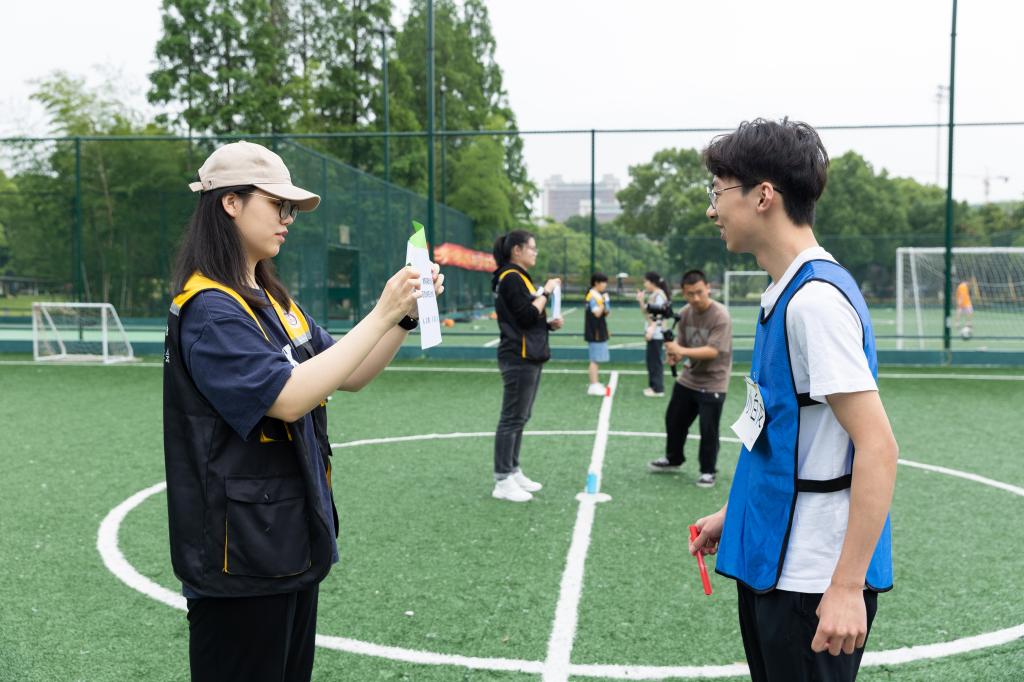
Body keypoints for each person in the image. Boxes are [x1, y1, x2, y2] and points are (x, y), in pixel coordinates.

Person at [163, 141, 444, 682]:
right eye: (278, 205)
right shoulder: (210, 308)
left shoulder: (270, 297)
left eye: (291, 208)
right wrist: (381, 311)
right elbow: (290, 398)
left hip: (286, 538)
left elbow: (351, 373)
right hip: (238, 555)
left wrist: (402, 318)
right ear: (230, 203)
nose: (288, 218)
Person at [688, 119, 897, 682]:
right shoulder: (785, 292)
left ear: (763, 196)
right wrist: (735, 514)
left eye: (718, 191)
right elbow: (789, 433)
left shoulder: (815, 304)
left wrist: (846, 587)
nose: (711, 209)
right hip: (779, 565)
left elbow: (878, 448)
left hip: (812, 580)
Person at [491, 231, 563, 502]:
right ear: (517, 250)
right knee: (512, 417)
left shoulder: (518, 277)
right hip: (517, 356)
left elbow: (528, 317)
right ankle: (502, 478)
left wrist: (547, 324)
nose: (535, 252)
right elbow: (525, 315)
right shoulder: (511, 277)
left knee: (520, 416)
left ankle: (513, 469)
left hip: (528, 354)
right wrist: (546, 291)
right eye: (532, 248)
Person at [647, 270, 732, 488]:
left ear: (708, 288)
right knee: (674, 420)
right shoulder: (685, 313)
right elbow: (682, 343)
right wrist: (675, 355)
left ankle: (708, 471)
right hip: (689, 377)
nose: (695, 298)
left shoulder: (720, 315)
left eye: (699, 292)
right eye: (690, 294)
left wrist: (681, 351)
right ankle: (674, 458)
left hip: (714, 381)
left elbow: (713, 351)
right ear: (683, 293)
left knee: (708, 429)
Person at [635, 271, 671, 397]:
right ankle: (653, 387)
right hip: (653, 332)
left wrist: (651, 329)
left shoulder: (659, 295)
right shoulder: (654, 295)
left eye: (646, 281)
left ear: (652, 282)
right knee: (651, 361)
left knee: (655, 362)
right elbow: (647, 314)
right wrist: (641, 301)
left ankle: (658, 389)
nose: (644, 284)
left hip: (656, 334)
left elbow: (658, 315)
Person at [585, 272, 611, 396]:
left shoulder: (598, 296)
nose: (605, 285)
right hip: (594, 332)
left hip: (600, 330)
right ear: (596, 283)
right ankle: (593, 385)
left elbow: (606, 313)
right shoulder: (592, 296)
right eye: (603, 282)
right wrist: (604, 302)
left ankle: (595, 383)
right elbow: (597, 313)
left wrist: (606, 303)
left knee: (597, 359)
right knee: (594, 359)